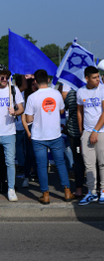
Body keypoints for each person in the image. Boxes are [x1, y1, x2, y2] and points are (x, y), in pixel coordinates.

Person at [24, 69, 75, 204]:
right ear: (47, 79)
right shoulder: (56, 94)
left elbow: (29, 119)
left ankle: (45, 195)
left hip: (38, 136)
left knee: (41, 166)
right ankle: (67, 192)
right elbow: (62, 110)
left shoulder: (32, 97)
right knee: (60, 164)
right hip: (55, 134)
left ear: (35, 81)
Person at [76, 66, 104, 206]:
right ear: (86, 78)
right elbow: (80, 112)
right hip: (87, 131)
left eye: (98, 77)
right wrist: (82, 131)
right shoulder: (80, 92)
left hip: (102, 131)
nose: (98, 79)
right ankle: (91, 192)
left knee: (103, 162)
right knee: (89, 164)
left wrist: (95, 131)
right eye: (95, 77)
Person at [0, 69, 24, 202]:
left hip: (9, 132)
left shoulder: (13, 89)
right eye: (1, 77)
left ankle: (11, 189)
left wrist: (15, 112)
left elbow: (21, 108)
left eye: (6, 77)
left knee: (10, 162)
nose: (4, 79)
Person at [64, 88, 84, 197]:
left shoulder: (71, 93)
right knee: (84, 162)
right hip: (80, 132)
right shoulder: (94, 91)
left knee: (78, 161)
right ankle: (95, 189)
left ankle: (80, 189)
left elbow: (65, 108)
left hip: (79, 133)